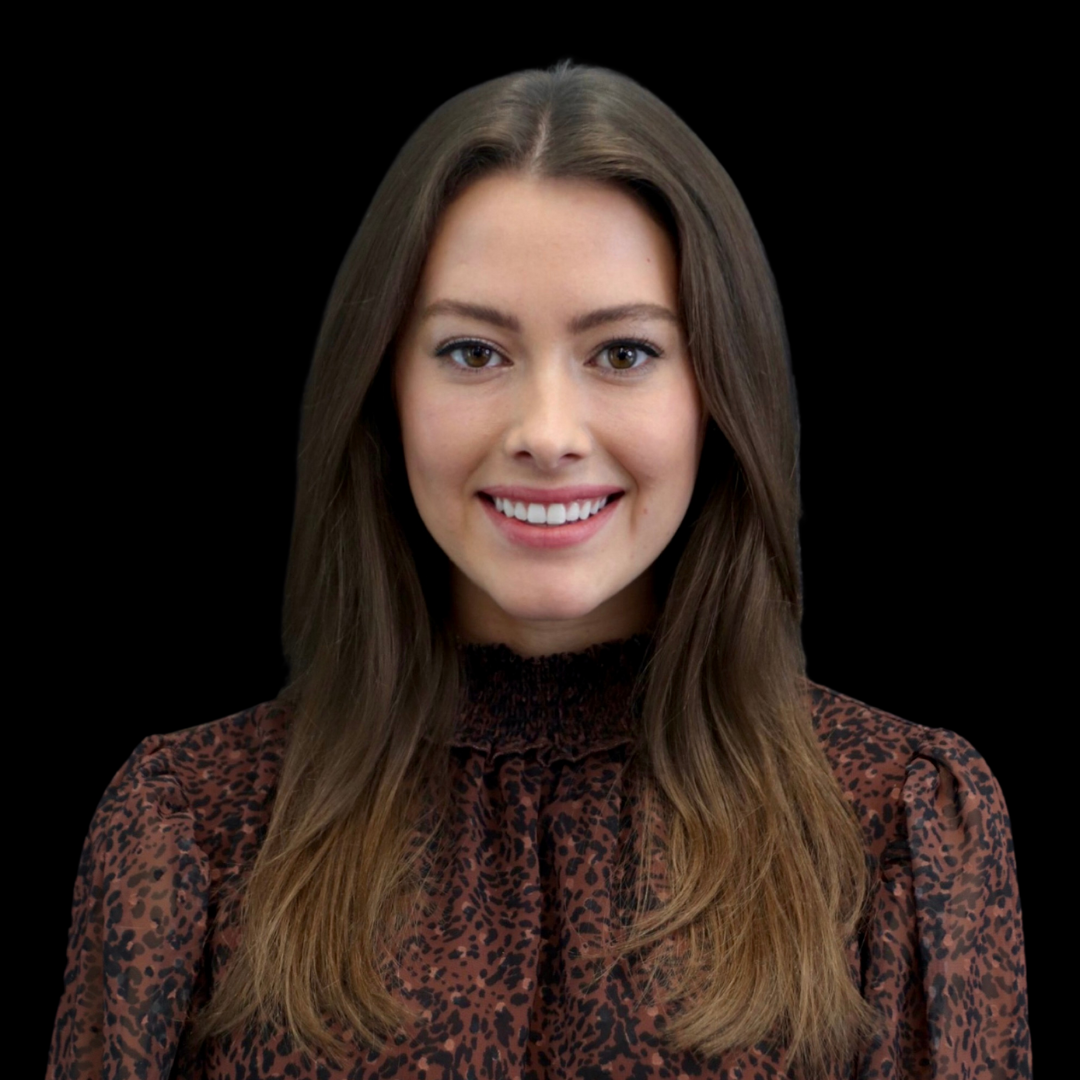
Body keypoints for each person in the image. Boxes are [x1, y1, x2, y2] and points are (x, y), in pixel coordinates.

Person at [46, 61, 1031, 1079]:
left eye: (624, 353)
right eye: (474, 352)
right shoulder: (190, 830)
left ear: (718, 394)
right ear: (384, 388)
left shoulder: (898, 828)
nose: (548, 434)